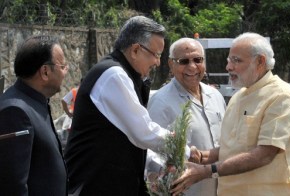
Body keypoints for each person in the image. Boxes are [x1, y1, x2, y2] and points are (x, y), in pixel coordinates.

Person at [64, 16, 195, 196]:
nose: (157, 62)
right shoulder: (114, 75)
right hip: (94, 184)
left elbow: (126, 140)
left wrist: (157, 166)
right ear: (135, 50)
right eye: (156, 54)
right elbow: (143, 132)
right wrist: (183, 149)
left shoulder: (122, 74)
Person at [171, 32, 290, 196]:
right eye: (229, 60)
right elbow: (233, 147)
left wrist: (207, 171)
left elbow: (264, 154)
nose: (228, 67)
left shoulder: (280, 96)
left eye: (236, 60)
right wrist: (204, 156)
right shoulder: (239, 96)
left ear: (260, 61)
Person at [146, 37, 226, 196]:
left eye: (197, 60)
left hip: (223, 188)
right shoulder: (161, 102)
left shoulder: (215, 95)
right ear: (171, 64)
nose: (192, 67)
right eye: (183, 61)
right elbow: (152, 155)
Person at [0, 35, 68, 195]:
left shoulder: (35, 101)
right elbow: (12, 187)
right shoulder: (15, 111)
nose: (66, 71)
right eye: (63, 66)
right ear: (45, 72)